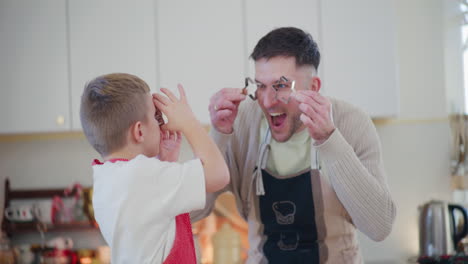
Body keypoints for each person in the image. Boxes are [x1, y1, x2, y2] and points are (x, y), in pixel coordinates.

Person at [191, 27, 396, 263]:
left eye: (280, 86)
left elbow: (379, 227)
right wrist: (219, 134)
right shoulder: (242, 122)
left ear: (313, 87)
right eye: (260, 86)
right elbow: (192, 212)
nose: (267, 102)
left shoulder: (351, 122)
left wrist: (330, 141)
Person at [80, 73, 229, 264]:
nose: (161, 124)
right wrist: (189, 122)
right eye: (155, 117)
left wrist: (165, 163)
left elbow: (152, 223)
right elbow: (218, 175)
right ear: (139, 131)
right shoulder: (145, 176)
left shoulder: (105, 178)